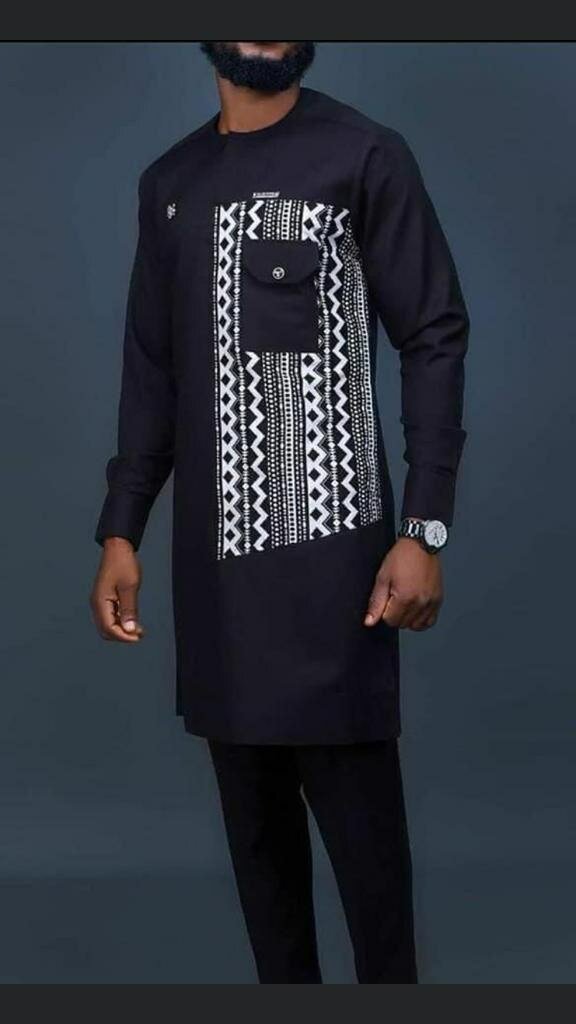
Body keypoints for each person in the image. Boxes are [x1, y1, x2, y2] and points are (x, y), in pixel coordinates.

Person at [90, 41, 470, 984]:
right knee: (260, 859)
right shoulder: (171, 182)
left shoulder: (363, 155)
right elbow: (152, 371)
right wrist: (122, 528)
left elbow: (433, 332)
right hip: (216, 579)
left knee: (369, 865)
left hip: (338, 573)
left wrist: (423, 526)